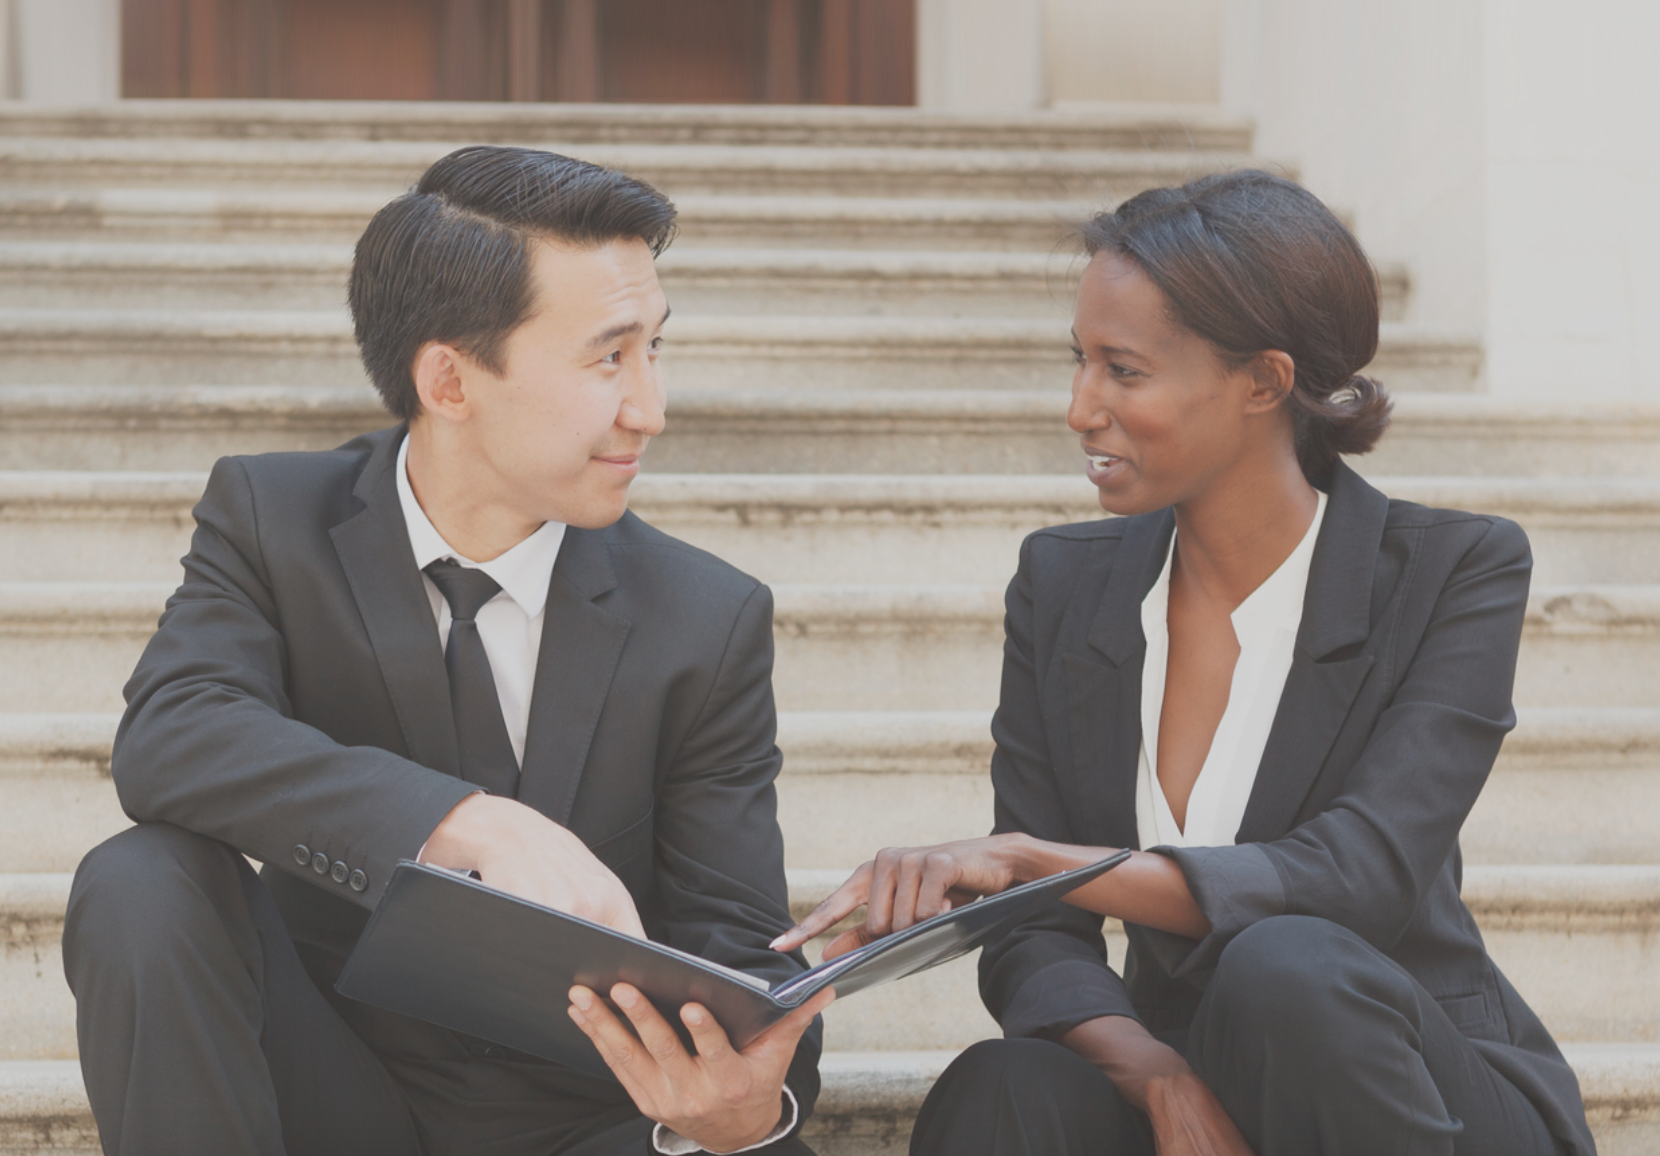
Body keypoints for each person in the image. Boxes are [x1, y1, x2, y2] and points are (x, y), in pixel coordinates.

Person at [775, 171, 1595, 1156]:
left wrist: (1030, 863)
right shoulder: (1064, 582)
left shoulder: (1451, 570)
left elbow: (1356, 875)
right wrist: (1154, 1070)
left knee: (1283, 969)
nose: (1080, 407)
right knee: (1004, 1088)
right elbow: (1035, 938)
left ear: (1263, 380)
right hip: (1191, 1064)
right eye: (1079, 362)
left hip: (1412, 1091)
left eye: (1122, 370)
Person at [63, 145, 831, 1156]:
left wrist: (744, 1101)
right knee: (140, 879)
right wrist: (461, 823)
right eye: (609, 357)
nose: (649, 405)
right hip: (332, 1091)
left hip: (586, 1123)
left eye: (655, 348)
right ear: (450, 380)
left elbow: (744, 952)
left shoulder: (706, 615)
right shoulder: (272, 517)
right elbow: (173, 735)